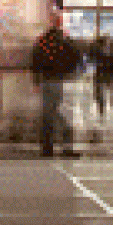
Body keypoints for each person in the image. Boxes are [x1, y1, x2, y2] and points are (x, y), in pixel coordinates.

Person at [30, 11, 81, 158]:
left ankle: (47, 148)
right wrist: (71, 73)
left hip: (46, 80)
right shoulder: (64, 40)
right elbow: (75, 56)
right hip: (61, 80)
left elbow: (35, 60)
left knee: (47, 115)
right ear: (59, 22)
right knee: (64, 114)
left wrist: (36, 81)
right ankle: (66, 147)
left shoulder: (42, 40)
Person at [87, 32, 113, 140]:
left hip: (99, 76)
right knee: (105, 94)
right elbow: (111, 66)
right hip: (105, 76)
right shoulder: (107, 52)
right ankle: (106, 109)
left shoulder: (98, 51)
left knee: (100, 94)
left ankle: (102, 109)